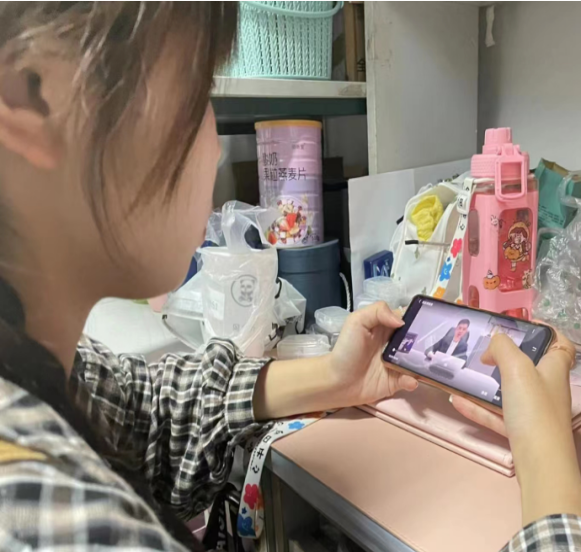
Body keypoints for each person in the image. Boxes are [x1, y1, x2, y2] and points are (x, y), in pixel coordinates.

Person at [0, 3, 578, 551]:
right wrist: (550, 461)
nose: (214, 149)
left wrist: (334, 377)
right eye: (195, 94)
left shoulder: (32, 364)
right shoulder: (61, 524)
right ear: (32, 95)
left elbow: (147, 412)